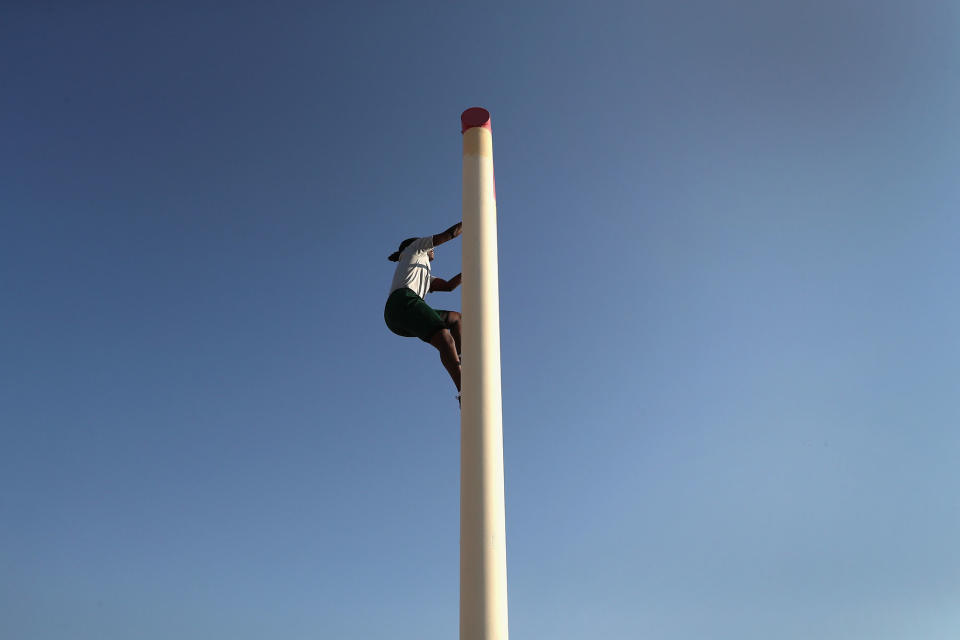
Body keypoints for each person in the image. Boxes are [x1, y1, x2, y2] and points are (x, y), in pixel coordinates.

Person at [384, 221, 463, 400]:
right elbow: (449, 233)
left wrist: (471, 269)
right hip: (402, 302)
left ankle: (460, 359)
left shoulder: (423, 273)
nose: (434, 250)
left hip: (402, 314)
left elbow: (449, 286)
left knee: (456, 318)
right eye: (432, 248)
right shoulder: (415, 248)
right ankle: (463, 389)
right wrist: (472, 218)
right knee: (444, 337)